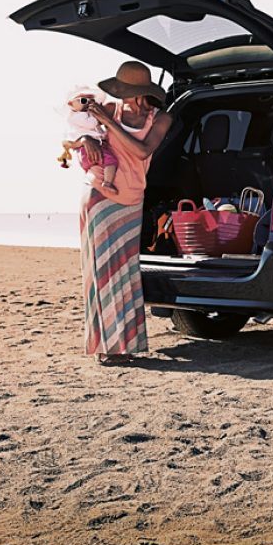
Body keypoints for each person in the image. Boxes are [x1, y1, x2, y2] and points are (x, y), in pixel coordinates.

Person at [76, 61, 174, 364]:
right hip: (99, 195)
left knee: (125, 272)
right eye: (122, 92)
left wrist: (109, 122)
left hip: (131, 198)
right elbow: (74, 127)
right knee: (99, 273)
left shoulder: (161, 119)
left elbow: (142, 151)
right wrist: (87, 137)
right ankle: (106, 348)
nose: (123, 97)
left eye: (128, 92)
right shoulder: (108, 108)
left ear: (143, 93)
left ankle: (125, 345)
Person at [60, 87, 119, 194]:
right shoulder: (76, 116)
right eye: (83, 101)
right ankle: (108, 183)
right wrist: (99, 115)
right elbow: (92, 123)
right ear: (71, 104)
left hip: (87, 151)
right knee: (111, 161)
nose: (88, 103)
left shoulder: (84, 115)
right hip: (86, 151)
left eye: (91, 101)